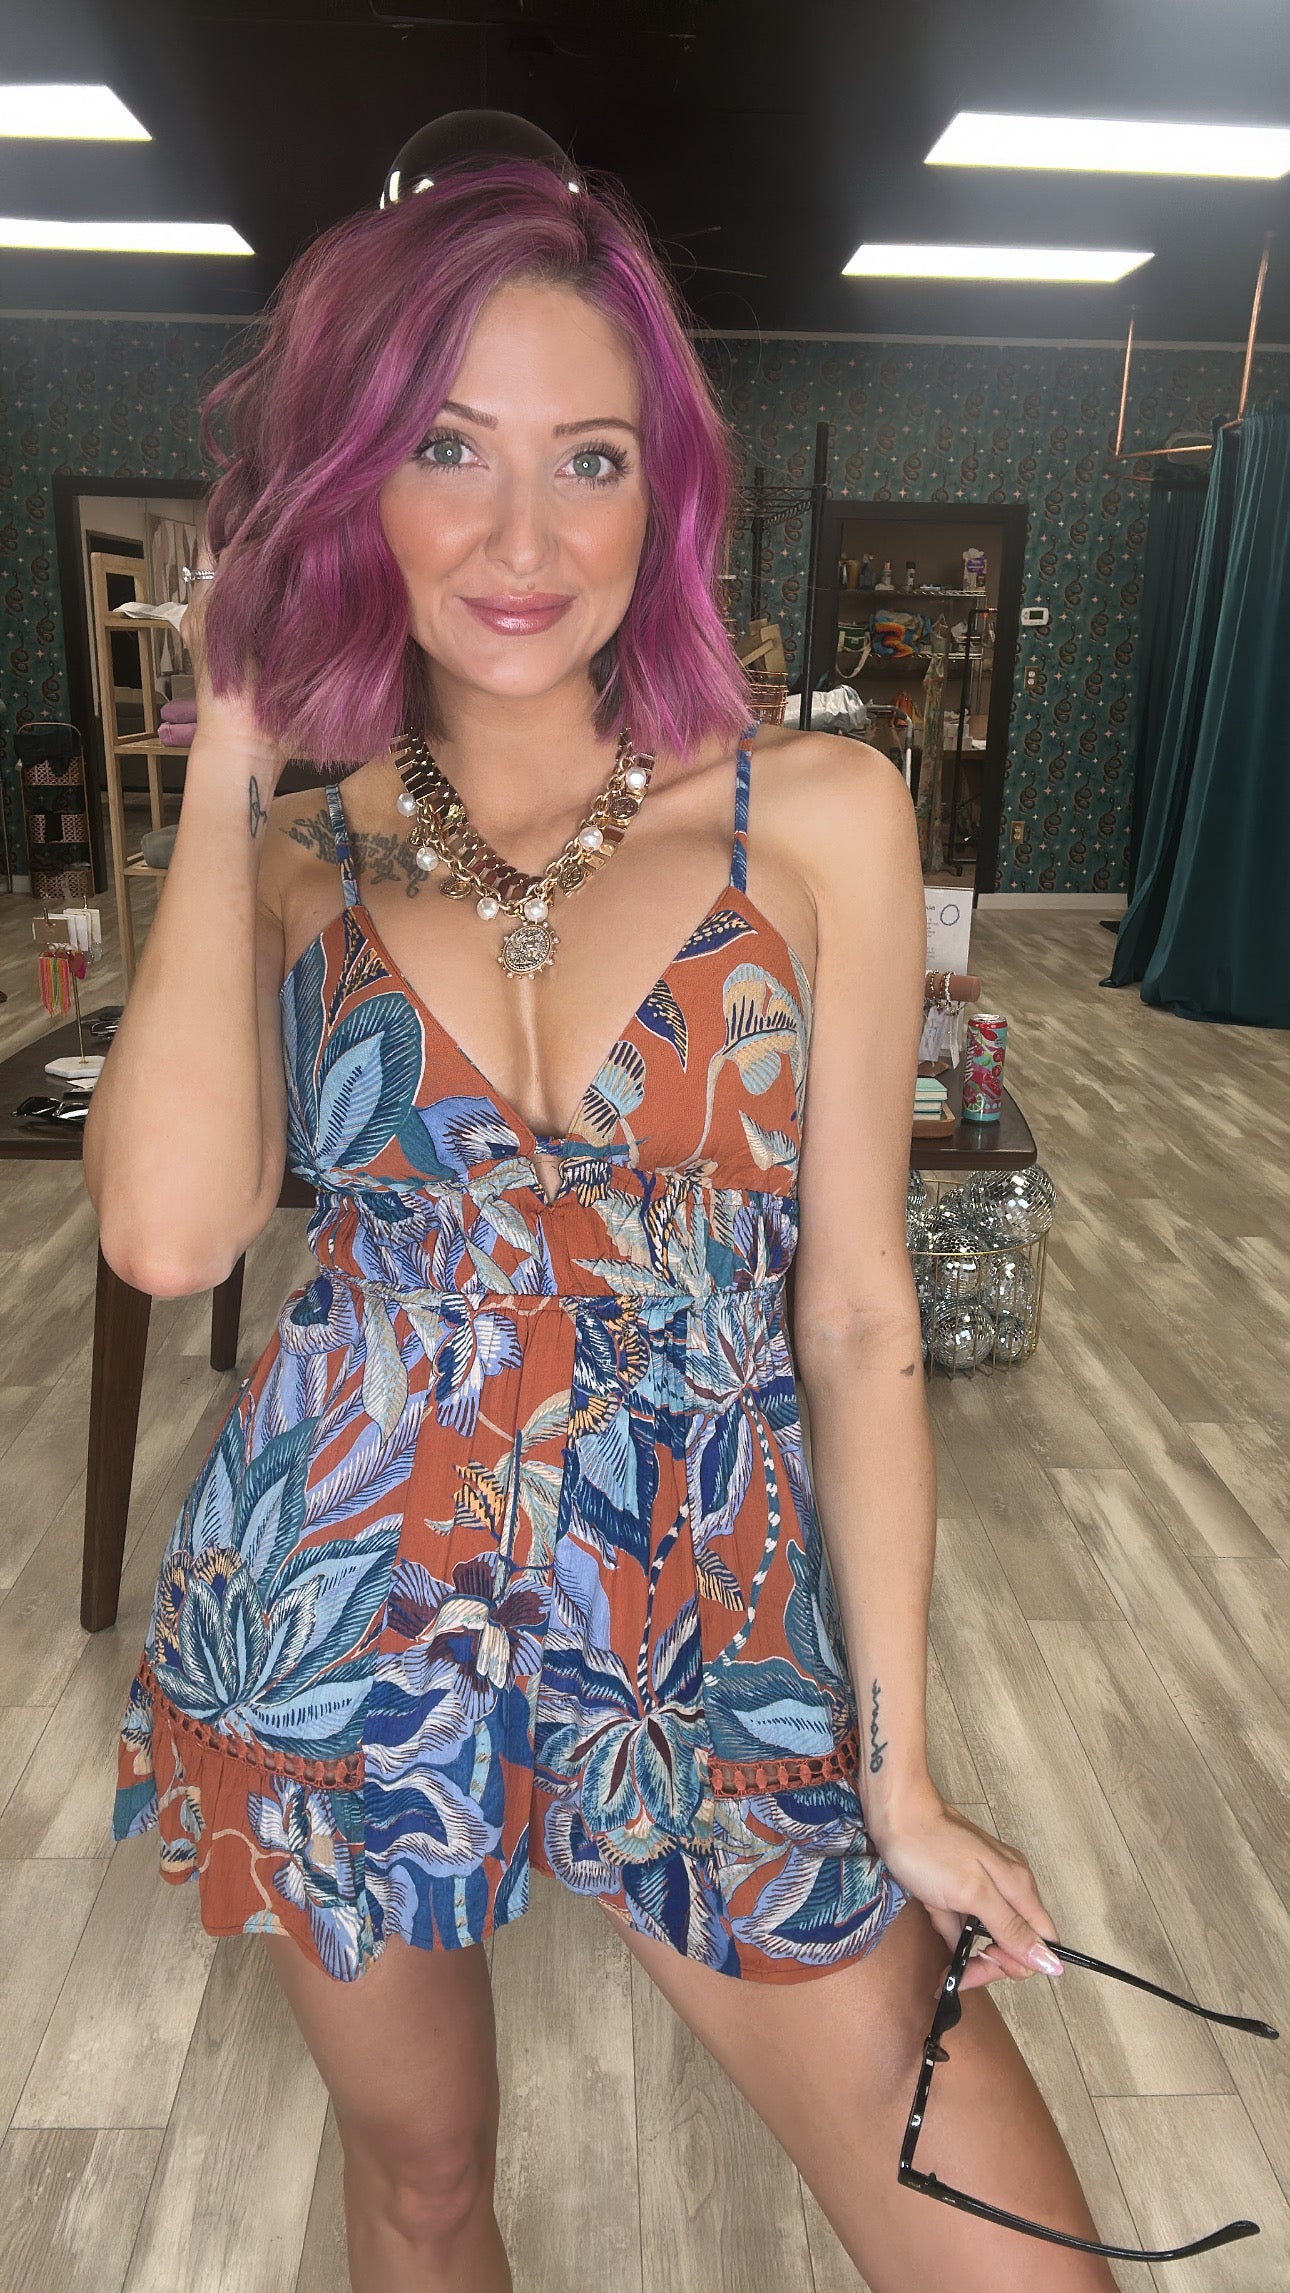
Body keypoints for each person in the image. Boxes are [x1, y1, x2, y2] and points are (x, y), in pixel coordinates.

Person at [86, 157, 1116, 2293]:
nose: (522, 538)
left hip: (705, 1619)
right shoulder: (300, 857)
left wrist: (902, 1778)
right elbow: (174, 1237)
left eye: (589, 458)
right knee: (423, 2184)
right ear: (350, 486)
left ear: (665, 495)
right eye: (444, 449)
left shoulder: (810, 815)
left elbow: (858, 1320)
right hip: (345, 1599)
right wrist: (232, 737)